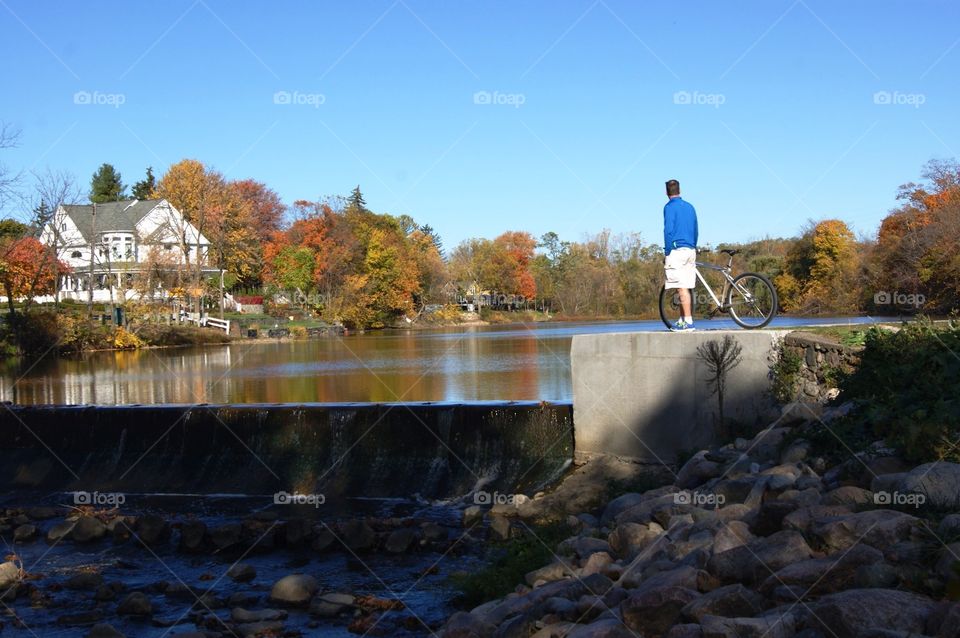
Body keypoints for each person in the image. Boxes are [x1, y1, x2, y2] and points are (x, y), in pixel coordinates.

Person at [663, 179, 698, 331]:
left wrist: (667, 251)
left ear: (666, 192)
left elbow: (668, 230)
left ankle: (688, 322)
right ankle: (683, 320)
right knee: (685, 286)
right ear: (679, 190)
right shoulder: (690, 207)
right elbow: (696, 229)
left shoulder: (669, 207)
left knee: (680, 286)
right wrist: (693, 245)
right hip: (691, 249)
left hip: (677, 250)